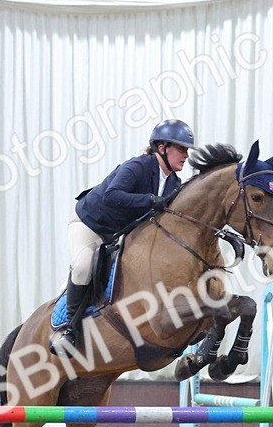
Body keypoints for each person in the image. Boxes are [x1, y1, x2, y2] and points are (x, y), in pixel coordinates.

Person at [51, 119, 196, 354]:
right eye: (181, 148)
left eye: (187, 150)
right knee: (82, 265)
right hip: (90, 225)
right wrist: (150, 200)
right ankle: (69, 329)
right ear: (162, 148)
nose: (186, 155)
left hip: (117, 234)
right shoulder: (138, 166)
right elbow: (112, 196)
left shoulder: (173, 183)